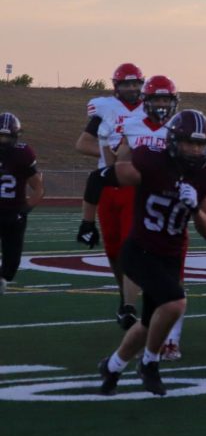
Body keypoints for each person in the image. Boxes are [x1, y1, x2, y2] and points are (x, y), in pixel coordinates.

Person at [97, 110, 206, 396]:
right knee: (176, 303)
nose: (195, 150)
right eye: (189, 143)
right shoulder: (152, 161)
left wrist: (195, 208)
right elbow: (115, 172)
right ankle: (150, 363)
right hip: (139, 249)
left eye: (201, 144)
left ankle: (112, 366)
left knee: (146, 324)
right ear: (172, 142)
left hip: (170, 254)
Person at [74, 63, 144, 320]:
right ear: (116, 86)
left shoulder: (151, 109)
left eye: (135, 83)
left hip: (134, 185)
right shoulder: (104, 108)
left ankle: (129, 306)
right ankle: (124, 295)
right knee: (113, 249)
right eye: (126, 84)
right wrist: (108, 151)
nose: (132, 88)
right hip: (106, 185)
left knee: (130, 246)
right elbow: (82, 143)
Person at [0, 113, 44, 294]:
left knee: (12, 262)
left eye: (6, 137)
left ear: (15, 136)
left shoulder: (23, 153)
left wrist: (24, 211)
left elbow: (38, 188)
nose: (3, 141)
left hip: (13, 213)